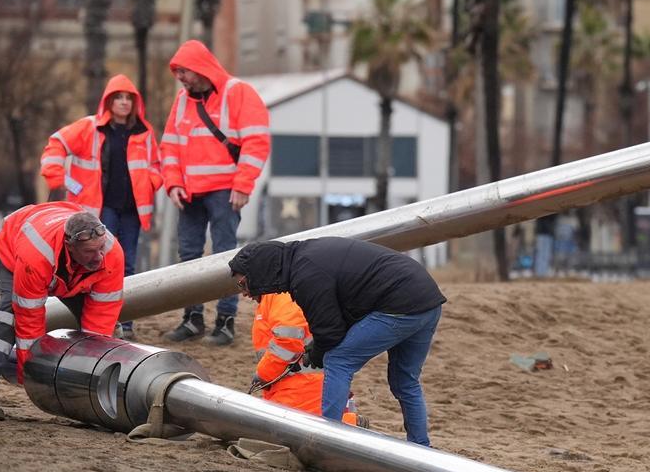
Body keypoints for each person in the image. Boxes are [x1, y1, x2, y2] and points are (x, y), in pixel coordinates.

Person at [228, 238, 445, 446]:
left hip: (400, 305)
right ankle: (421, 445)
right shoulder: (304, 260)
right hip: (428, 301)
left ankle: (328, 440)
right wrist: (316, 348)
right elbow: (340, 318)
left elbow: (330, 333)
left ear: (258, 270)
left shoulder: (304, 276)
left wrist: (316, 355)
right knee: (405, 381)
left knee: (338, 360)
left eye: (243, 284)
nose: (245, 293)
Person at [0, 203, 125, 420]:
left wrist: (90, 374)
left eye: (100, 248)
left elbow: (102, 318)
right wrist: (29, 376)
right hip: (14, 241)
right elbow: (29, 322)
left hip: (68, 269)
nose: (99, 258)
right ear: (70, 246)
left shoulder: (111, 253)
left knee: (109, 333)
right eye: (90, 252)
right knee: (8, 316)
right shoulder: (36, 256)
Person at [161, 40, 270, 346]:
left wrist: (242, 184)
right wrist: (173, 183)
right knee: (189, 258)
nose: (180, 77)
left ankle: (225, 321)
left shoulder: (238, 93)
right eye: (177, 71)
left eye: (184, 70)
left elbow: (256, 141)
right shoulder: (182, 100)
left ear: (200, 67)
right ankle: (192, 319)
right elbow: (169, 146)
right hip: (188, 194)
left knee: (226, 258)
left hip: (225, 191)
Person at [40, 74, 162, 340]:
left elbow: (156, 165)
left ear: (135, 103)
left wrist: (152, 182)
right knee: (100, 262)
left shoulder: (144, 132)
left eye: (128, 99)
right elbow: (56, 144)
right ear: (108, 101)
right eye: (118, 98)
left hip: (132, 210)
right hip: (99, 210)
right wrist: (58, 177)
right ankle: (99, 319)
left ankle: (123, 322)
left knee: (127, 266)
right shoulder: (89, 128)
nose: (123, 103)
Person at [248, 291, 365, 427]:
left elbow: (288, 340)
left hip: (302, 385)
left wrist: (264, 373)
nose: (244, 293)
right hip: (300, 382)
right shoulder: (275, 294)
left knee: (290, 429)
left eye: (242, 283)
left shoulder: (281, 294)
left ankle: (351, 423)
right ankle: (350, 423)